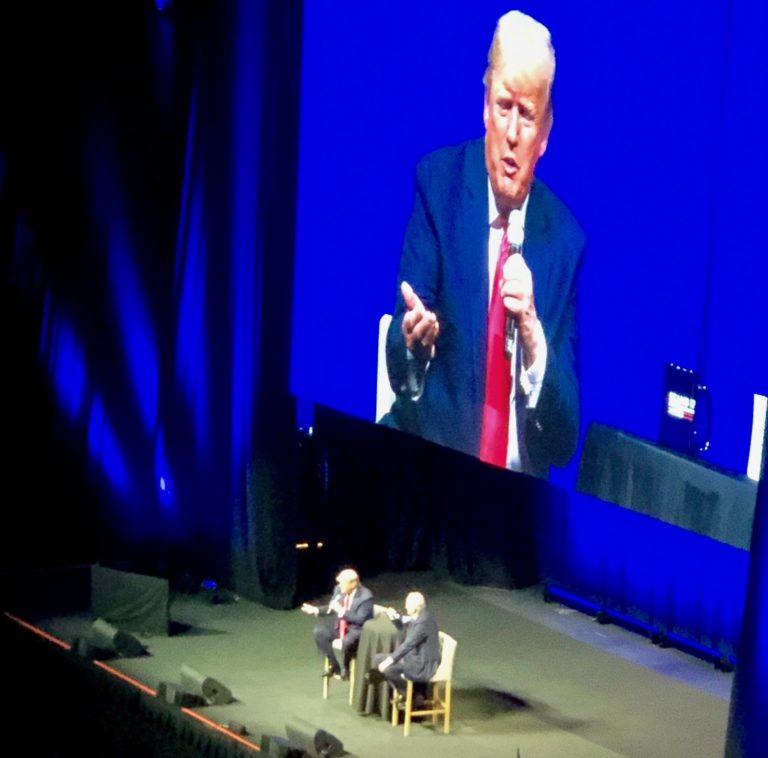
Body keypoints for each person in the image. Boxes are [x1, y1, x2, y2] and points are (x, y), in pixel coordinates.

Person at [381, 10, 585, 479]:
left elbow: (563, 441)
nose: (512, 134)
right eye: (503, 107)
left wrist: (533, 335)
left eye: (528, 116)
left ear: (546, 134)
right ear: (485, 107)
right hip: (431, 475)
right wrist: (412, 341)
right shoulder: (439, 186)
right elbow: (400, 358)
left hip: (511, 505)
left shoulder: (565, 242)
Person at [301, 567, 374, 679]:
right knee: (319, 632)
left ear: (353, 583)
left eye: (343, 583)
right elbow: (332, 607)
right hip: (341, 626)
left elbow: (360, 620)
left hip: (357, 630)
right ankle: (334, 666)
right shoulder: (339, 590)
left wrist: (341, 611)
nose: (340, 586)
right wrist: (316, 610)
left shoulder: (366, 597)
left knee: (347, 641)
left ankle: (346, 669)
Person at [370, 591, 440, 705]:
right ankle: (413, 693)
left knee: (389, 670)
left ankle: (411, 695)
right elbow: (405, 623)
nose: (405, 606)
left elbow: (408, 645)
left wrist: (389, 661)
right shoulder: (419, 615)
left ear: (416, 608)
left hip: (421, 664)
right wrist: (395, 618)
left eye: (408, 605)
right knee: (377, 659)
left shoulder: (423, 622)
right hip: (414, 657)